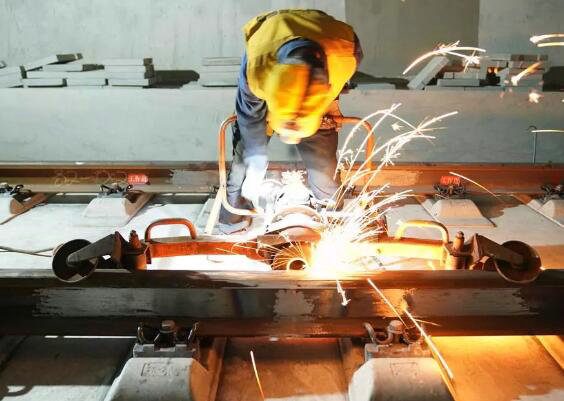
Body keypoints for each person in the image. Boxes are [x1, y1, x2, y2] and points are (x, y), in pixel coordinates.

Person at [219, 9, 363, 228]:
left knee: (324, 164)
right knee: (245, 158)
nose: (292, 137)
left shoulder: (346, 55)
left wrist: (328, 98)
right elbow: (250, 118)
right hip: (271, 42)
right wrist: (255, 157)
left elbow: (332, 86)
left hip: (328, 54)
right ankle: (233, 214)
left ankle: (331, 212)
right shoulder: (256, 71)